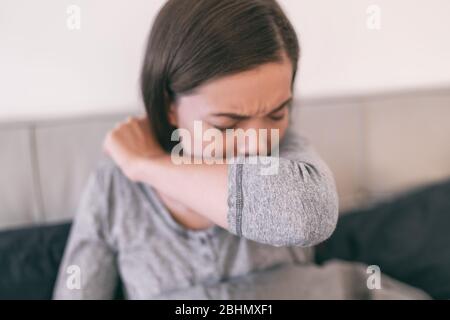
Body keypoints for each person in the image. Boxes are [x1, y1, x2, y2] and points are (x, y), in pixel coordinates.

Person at [53, 0, 427, 299]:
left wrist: (147, 164)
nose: (257, 143)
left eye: (277, 113)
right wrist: (135, 171)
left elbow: (305, 217)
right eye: (228, 124)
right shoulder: (114, 190)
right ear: (169, 104)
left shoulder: (288, 151)